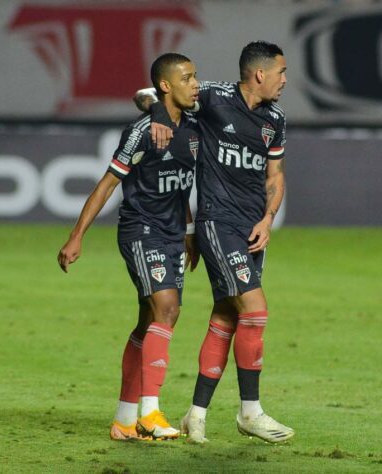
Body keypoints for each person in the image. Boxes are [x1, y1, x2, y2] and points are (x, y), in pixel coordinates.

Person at [135, 41, 294, 443]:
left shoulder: (275, 118)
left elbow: (274, 176)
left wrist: (268, 218)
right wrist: (156, 113)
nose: (285, 80)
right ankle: (250, 412)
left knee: (228, 315)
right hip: (216, 223)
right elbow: (150, 93)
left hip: (251, 227)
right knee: (255, 311)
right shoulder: (213, 97)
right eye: (281, 72)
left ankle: (197, 415)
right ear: (260, 74)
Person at [58, 52, 200, 441]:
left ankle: (123, 420)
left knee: (149, 321)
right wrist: (77, 235)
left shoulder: (193, 124)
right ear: (168, 85)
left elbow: (181, 185)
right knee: (167, 310)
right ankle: (150, 413)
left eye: (195, 77)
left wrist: (188, 234)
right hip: (141, 230)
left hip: (172, 233)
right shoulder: (140, 132)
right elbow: (107, 184)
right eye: (187, 78)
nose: (196, 84)